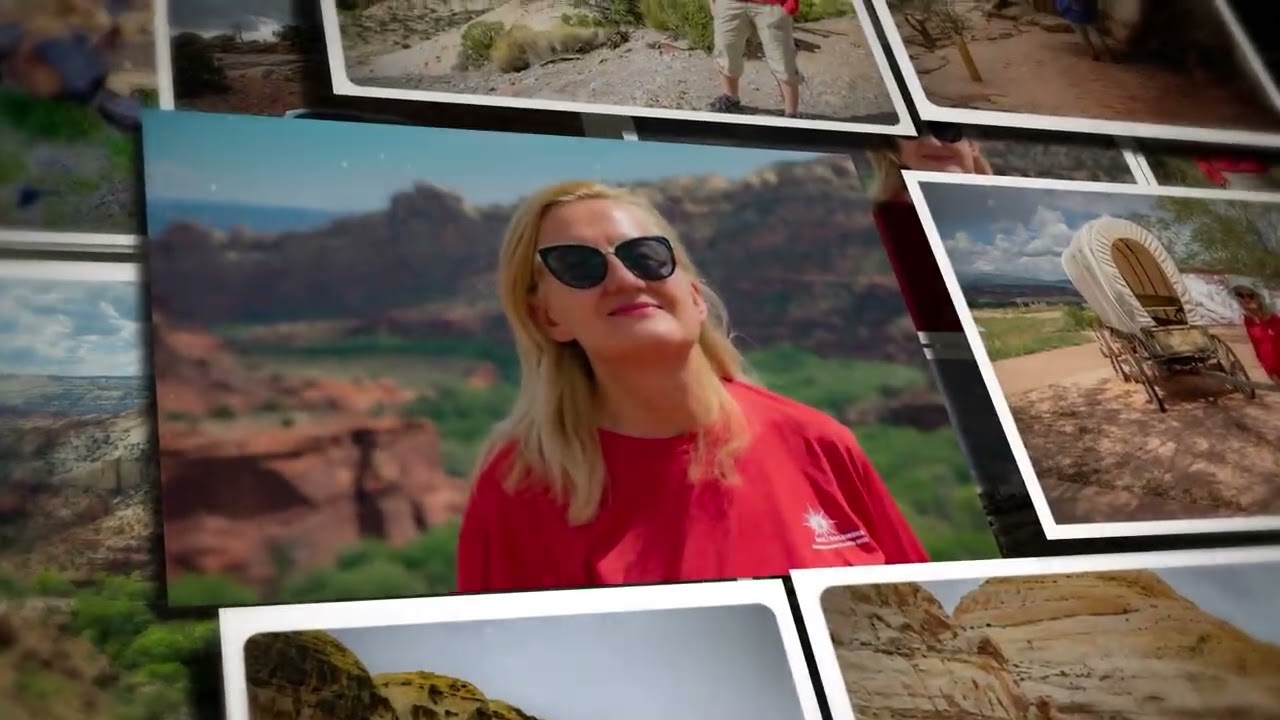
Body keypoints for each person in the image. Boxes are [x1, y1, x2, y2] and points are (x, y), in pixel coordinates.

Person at [455, 180, 927, 594]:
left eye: (645, 256)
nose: (624, 279)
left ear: (695, 296)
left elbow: (929, 625)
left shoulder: (816, 442)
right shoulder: (519, 486)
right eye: (578, 265)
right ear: (547, 317)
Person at [867, 124, 993, 332]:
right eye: (912, 132)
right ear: (895, 148)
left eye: (947, 130)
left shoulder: (1012, 207)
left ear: (973, 144)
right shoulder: (886, 223)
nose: (933, 142)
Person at [706, 0, 802, 118]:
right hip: (730, 4)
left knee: (783, 61)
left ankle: (791, 114)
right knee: (726, 53)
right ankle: (730, 99)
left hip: (772, 5)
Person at [1233, 283, 1280, 385]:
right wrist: (1270, 372)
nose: (1246, 299)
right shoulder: (1249, 322)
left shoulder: (1276, 320)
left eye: (1251, 295)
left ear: (1259, 297)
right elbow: (1258, 349)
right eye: (1240, 295)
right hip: (1275, 374)